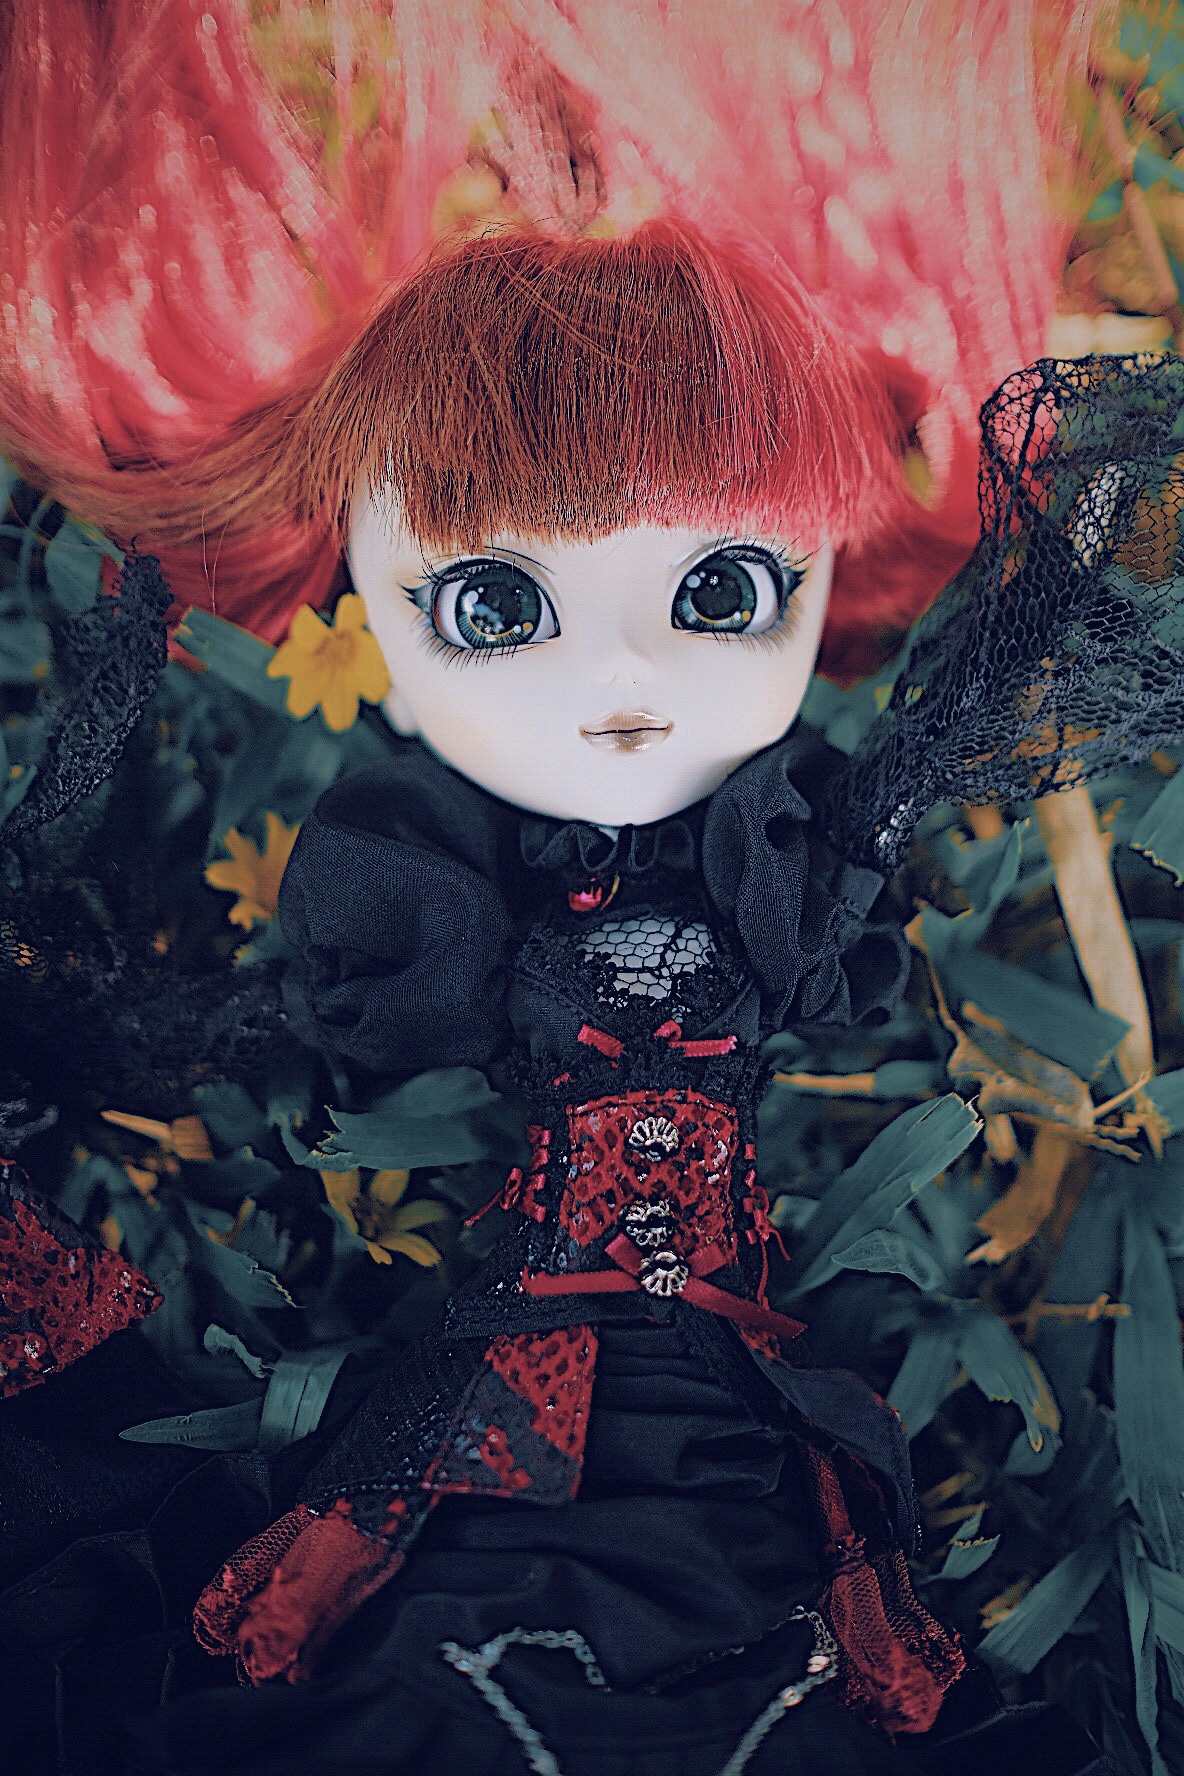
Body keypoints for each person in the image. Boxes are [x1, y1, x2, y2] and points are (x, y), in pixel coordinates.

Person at [0, 3, 1146, 1771]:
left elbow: (893, 805)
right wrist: (101, 1021)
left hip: (713, 1350)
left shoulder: (782, 878)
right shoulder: (447, 910)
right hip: (525, 1336)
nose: (625, 678)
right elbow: (269, 1021)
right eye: (494, 605)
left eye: (722, 591)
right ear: (360, 610)